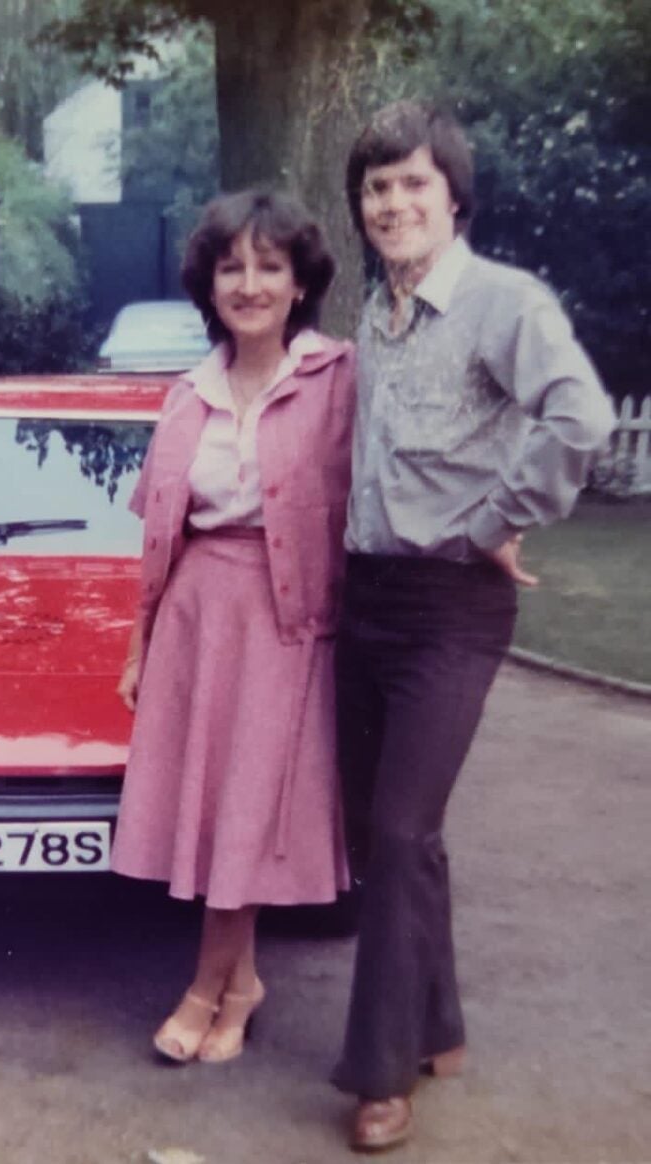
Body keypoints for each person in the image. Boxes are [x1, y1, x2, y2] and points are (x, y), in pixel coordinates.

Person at [331, 101, 616, 1151]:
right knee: (384, 831)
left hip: (453, 604)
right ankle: (439, 1025)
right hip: (366, 596)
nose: (393, 203)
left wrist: (496, 518)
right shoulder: (375, 314)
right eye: (376, 188)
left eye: (413, 183)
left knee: (403, 829)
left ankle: (381, 1072)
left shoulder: (505, 301)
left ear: (454, 196)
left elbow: (580, 416)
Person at [110, 189, 354, 1065]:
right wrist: (139, 645)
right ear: (209, 286)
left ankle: (205, 988)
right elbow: (160, 536)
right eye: (232, 268)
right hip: (195, 614)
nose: (250, 284)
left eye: (269, 267)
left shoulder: (338, 380)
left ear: (300, 284)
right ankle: (238, 984)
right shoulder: (186, 396)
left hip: (287, 621)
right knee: (213, 813)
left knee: (249, 809)